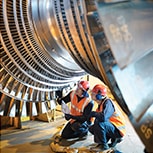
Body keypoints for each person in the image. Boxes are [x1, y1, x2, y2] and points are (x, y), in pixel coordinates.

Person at [88, 84, 126, 152]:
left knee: (99, 122)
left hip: (118, 130)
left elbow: (103, 117)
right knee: (92, 128)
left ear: (99, 96)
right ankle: (113, 139)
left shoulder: (108, 103)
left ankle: (103, 145)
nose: (91, 95)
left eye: (93, 93)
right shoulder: (101, 104)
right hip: (113, 127)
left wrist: (93, 113)